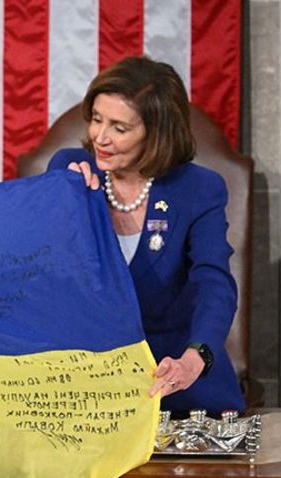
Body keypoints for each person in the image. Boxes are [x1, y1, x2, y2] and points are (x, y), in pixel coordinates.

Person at [47, 56, 244, 413]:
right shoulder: (69, 171)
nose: (100, 138)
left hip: (173, 378)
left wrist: (194, 358)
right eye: (96, 119)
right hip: (88, 386)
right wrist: (64, 198)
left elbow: (213, 281)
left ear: (156, 133)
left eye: (119, 128)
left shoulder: (197, 189)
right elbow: (44, 269)